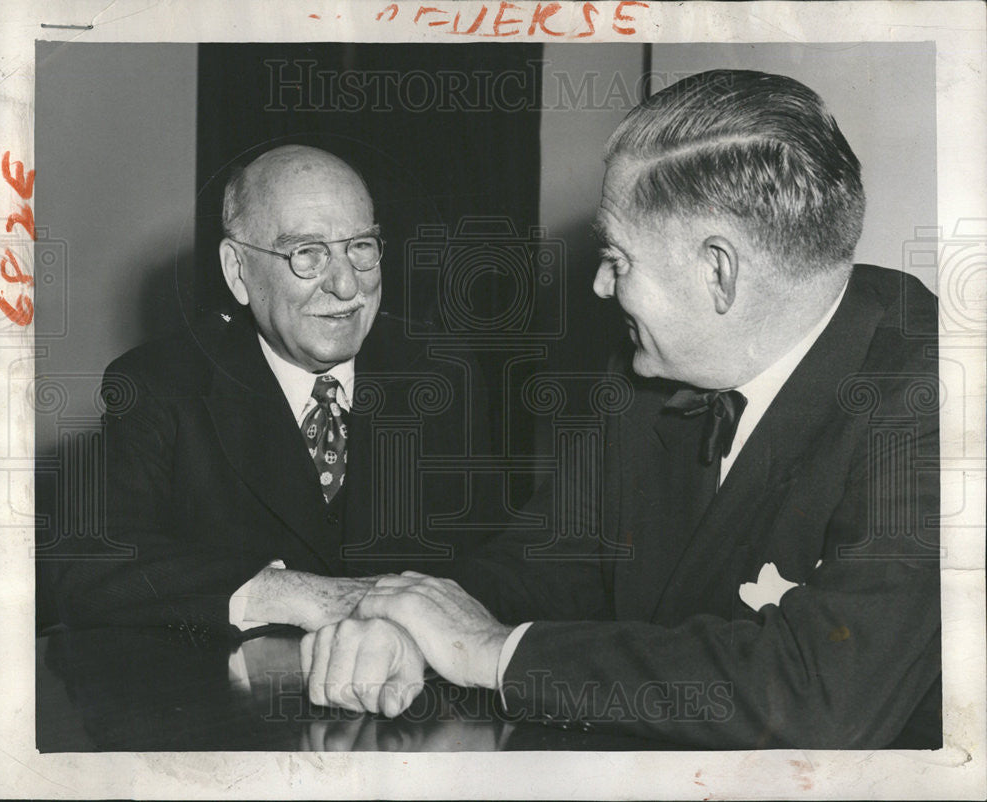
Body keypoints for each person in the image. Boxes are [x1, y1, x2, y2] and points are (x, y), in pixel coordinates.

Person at [302, 70, 942, 748]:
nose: (601, 286)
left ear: (718, 272)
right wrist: (408, 624)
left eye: (617, 257)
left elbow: (821, 699)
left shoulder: (938, 399)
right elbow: (540, 567)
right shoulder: (646, 372)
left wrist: (496, 653)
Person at [53, 145, 488, 647]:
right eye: (307, 253)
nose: (347, 285)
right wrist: (291, 593)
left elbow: (492, 564)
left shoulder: (438, 370)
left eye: (361, 246)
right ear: (238, 271)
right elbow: (88, 569)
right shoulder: (162, 384)